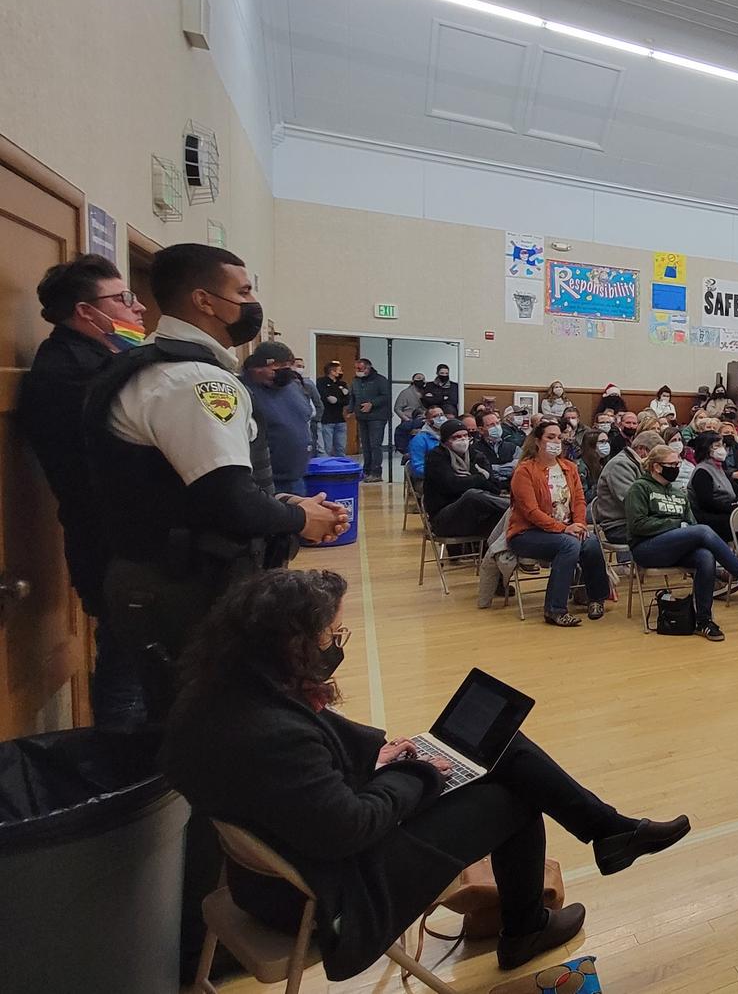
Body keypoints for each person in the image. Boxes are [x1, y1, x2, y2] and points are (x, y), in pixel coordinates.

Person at [161, 569, 691, 978]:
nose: (336, 642)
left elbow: (304, 765)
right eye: (330, 632)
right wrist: (417, 774)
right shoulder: (274, 733)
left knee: (498, 746)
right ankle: (532, 920)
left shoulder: (219, 694)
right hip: (325, 894)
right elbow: (348, 826)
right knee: (512, 798)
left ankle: (609, 831)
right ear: (292, 643)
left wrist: (380, 754)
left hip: (276, 866)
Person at [82, 243, 348, 728]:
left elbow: (190, 487)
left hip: (160, 570)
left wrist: (284, 503)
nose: (251, 303)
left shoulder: (156, 366)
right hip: (184, 584)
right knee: (209, 725)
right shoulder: (195, 382)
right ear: (204, 301)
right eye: (242, 291)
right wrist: (297, 518)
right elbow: (227, 501)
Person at [22, 255, 148, 726]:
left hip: (119, 537)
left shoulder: (102, 361)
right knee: (127, 668)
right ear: (85, 311)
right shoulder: (72, 374)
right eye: (122, 299)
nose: (136, 310)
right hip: (112, 541)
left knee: (136, 661)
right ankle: (126, 778)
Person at [625, 444, 738, 641]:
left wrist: (683, 528)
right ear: (656, 467)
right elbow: (638, 525)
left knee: (705, 556)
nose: (676, 468)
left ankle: (703, 620)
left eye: (678, 463)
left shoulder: (678, 493)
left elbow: (689, 523)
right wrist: (675, 524)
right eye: (672, 464)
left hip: (676, 547)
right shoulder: (640, 488)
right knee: (702, 530)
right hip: (647, 547)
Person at [506, 420, 611, 627]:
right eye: (550, 437)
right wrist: (565, 529)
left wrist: (579, 525)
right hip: (527, 533)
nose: (556, 441)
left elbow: (580, 500)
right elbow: (531, 512)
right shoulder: (525, 471)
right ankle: (555, 610)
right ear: (537, 441)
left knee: (590, 543)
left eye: (559, 438)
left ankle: (596, 599)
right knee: (569, 544)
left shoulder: (569, 467)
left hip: (566, 530)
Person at [242, 341, 314, 496]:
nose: (284, 373)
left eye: (288, 367)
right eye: (277, 369)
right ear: (257, 367)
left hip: (297, 479)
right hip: (263, 483)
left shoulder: (294, 387)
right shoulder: (243, 391)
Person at [422, 419, 509, 538]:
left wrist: (474, 480)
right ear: (445, 440)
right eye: (456, 437)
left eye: (465, 435)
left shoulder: (477, 456)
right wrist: (480, 479)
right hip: (443, 517)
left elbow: (495, 487)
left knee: (500, 517)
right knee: (471, 495)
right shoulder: (436, 457)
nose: (462, 440)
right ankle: (512, 507)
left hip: (474, 516)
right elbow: (452, 486)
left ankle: (490, 554)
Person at [687, 432, 738, 536]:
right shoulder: (702, 471)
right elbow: (707, 503)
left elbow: (736, 490)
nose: (722, 449)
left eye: (722, 445)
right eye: (717, 446)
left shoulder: (719, 468)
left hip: (727, 510)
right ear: (706, 449)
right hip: (710, 516)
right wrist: (732, 507)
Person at [352, 357, 392, 482]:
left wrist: (372, 403)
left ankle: (376, 473)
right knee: (366, 445)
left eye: (360, 368)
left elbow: (386, 396)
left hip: (377, 417)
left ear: (368, 368)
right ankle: (366, 471)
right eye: (356, 368)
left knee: (375, 445)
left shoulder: (380, 380)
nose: (357, 370)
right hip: (362, 416)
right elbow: (353, 396)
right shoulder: (356, 381)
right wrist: (350, 409)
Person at [317, 360, 351, 456]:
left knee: (341, 447)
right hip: (326, 420)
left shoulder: (342, 384)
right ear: (332, 371)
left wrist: (338, 400)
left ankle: (341, 468)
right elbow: (327, 398)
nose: (341, 372)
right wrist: (339, 397)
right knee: (326, 447)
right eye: (339, 370)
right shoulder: (321, 382)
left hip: (340, 419)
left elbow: (346, 400)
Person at [407, 407, 445, 481]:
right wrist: (437, 475)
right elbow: (417, 467)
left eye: (442, 414)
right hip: (426, 480)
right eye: (435, 416)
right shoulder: (419, 440)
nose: (440, 418)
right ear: (427, 421)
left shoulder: (448, 436)